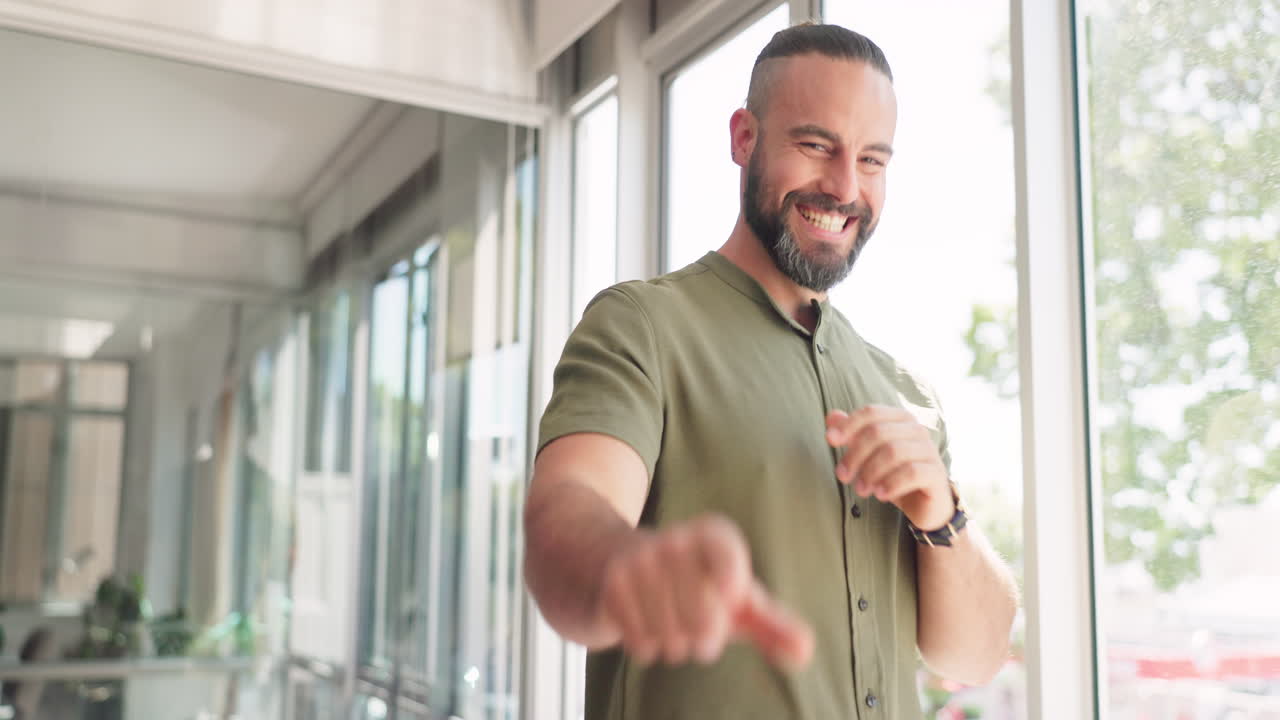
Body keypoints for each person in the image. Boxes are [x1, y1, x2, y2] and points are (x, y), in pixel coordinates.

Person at [524, 22, 1019, 720]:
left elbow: (975, 655)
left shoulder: (906, 396)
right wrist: (622, 570)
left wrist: (942, 515)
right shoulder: (643, 326)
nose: (846, 187)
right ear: (743, 138)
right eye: (816, 145)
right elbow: (564, 522)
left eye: (872, 160)